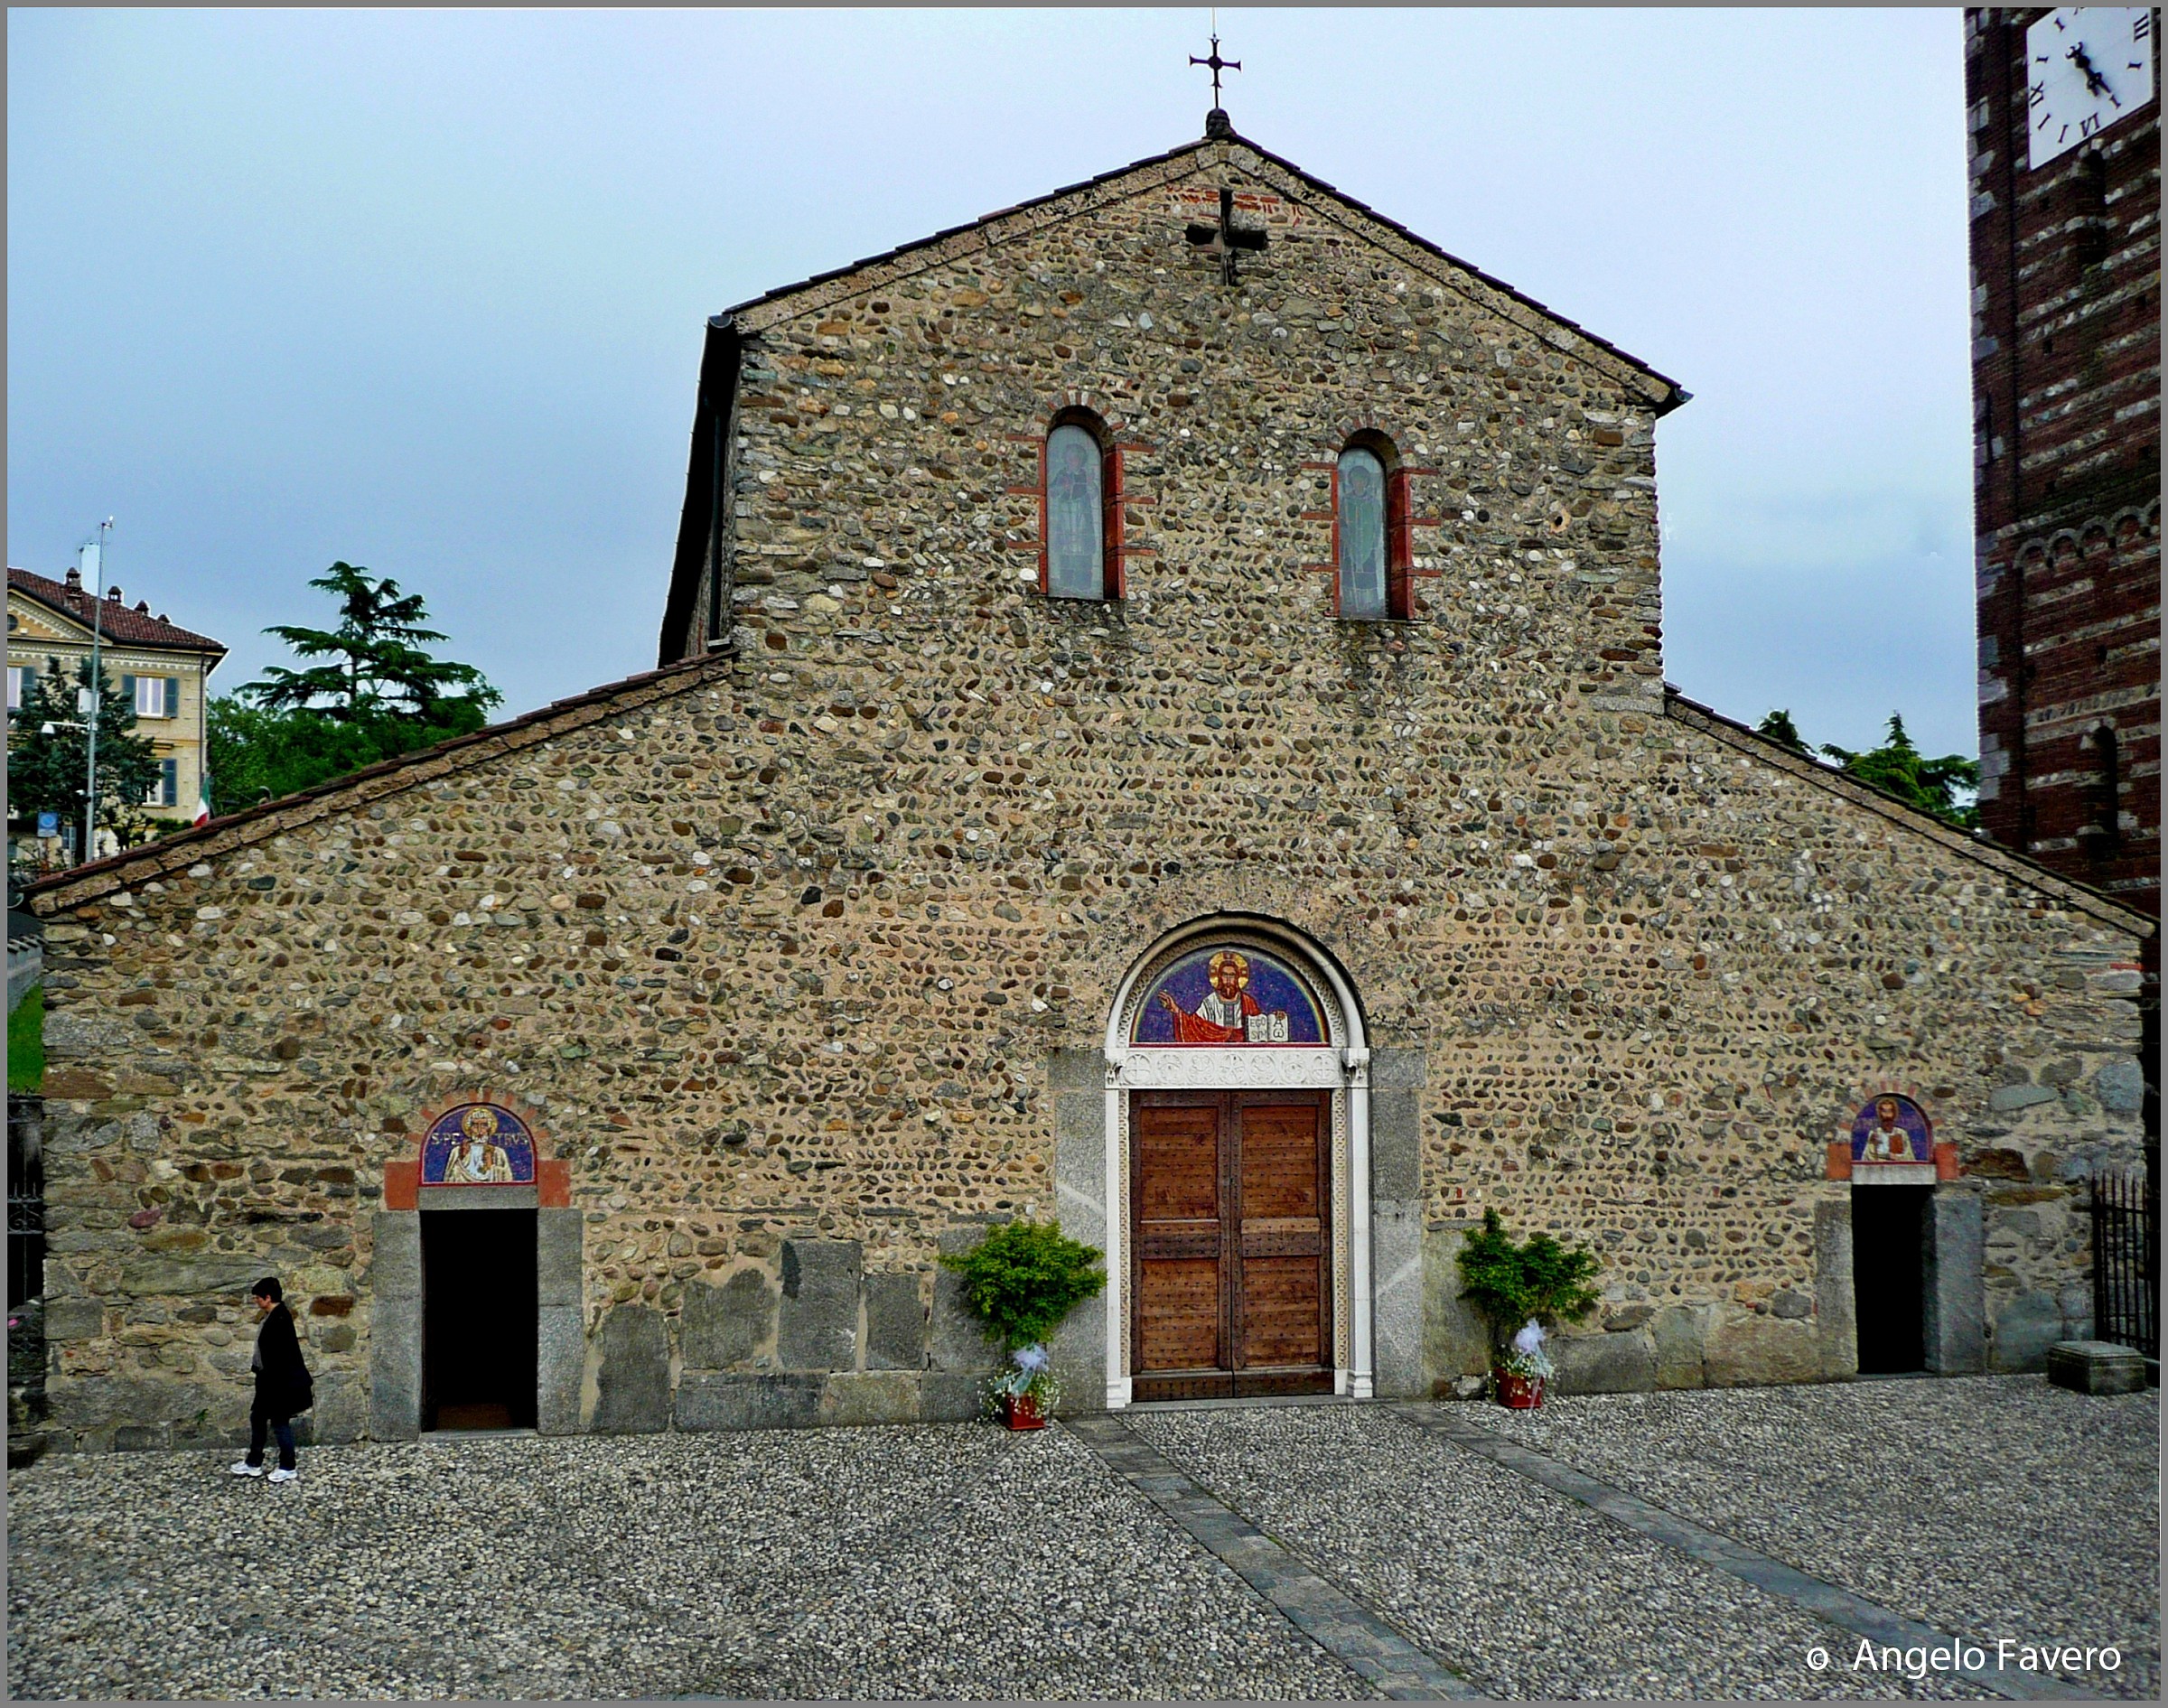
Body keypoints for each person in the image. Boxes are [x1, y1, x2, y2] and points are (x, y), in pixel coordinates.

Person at [230, 1277, 312, 1484]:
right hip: (268, 1380)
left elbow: (282, 1357)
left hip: (278, 1383)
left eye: (257, 1298)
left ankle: (288, 1466)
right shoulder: (272, 1316)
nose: (255, 1301)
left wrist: (273, 1383)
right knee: (257, 1418)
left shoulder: (280, 1319)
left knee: (279, 1422)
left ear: (268, 1298)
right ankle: (254, 1462)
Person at [1156, 949, 1285, 1044]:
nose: (1228, 980)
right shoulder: (1210, 1002)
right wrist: (1175, 1010)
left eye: (1232, 976)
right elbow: (1194, 1027)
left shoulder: (1247, 1001)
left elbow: (1259, 1029)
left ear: (1237, 978)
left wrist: (1275, 1019)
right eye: (1225, 975)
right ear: (1219, 977)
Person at [1860, 1097, 1918, 1164]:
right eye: (1884, 1111)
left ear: (1894, 1113)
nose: (1887, 1115)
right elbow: (1868, 1157)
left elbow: (1909, 1157)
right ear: (1880, 1113)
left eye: (1889, 1111)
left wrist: (1897, 1158)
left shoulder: (1901, 1133)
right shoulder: (1874, 1133)